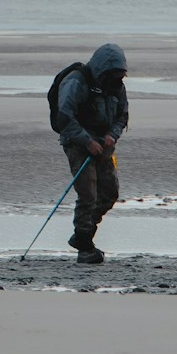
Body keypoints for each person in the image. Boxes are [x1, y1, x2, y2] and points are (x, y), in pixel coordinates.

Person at [55, 43, 128, 263]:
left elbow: (122, 116)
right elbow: (64, 117)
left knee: (109, 193)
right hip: (77, 142)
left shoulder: (117, 86)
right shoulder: (76, 81)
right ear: (103, 70)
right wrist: (87, 142)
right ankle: (85, 247)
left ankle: (80, 237)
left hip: (104, 144)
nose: (117, 80)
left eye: (120, 75)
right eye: (113, 75)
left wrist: (111, 135)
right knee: (88, 195)